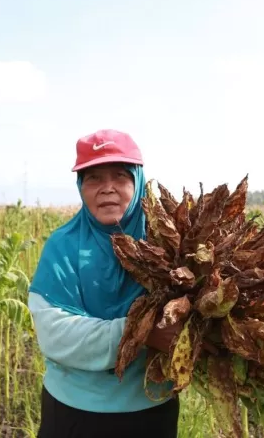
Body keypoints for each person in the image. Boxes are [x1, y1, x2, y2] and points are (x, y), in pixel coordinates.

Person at [28, 129, 181, 438]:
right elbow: (55, 335)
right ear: (80, 186)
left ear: (137, 182)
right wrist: (142, 333)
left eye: (120, 176)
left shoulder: (172, 242)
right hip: (74, 412)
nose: (107, 188)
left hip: (151, 409)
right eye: (93, 178)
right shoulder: (63, 246)